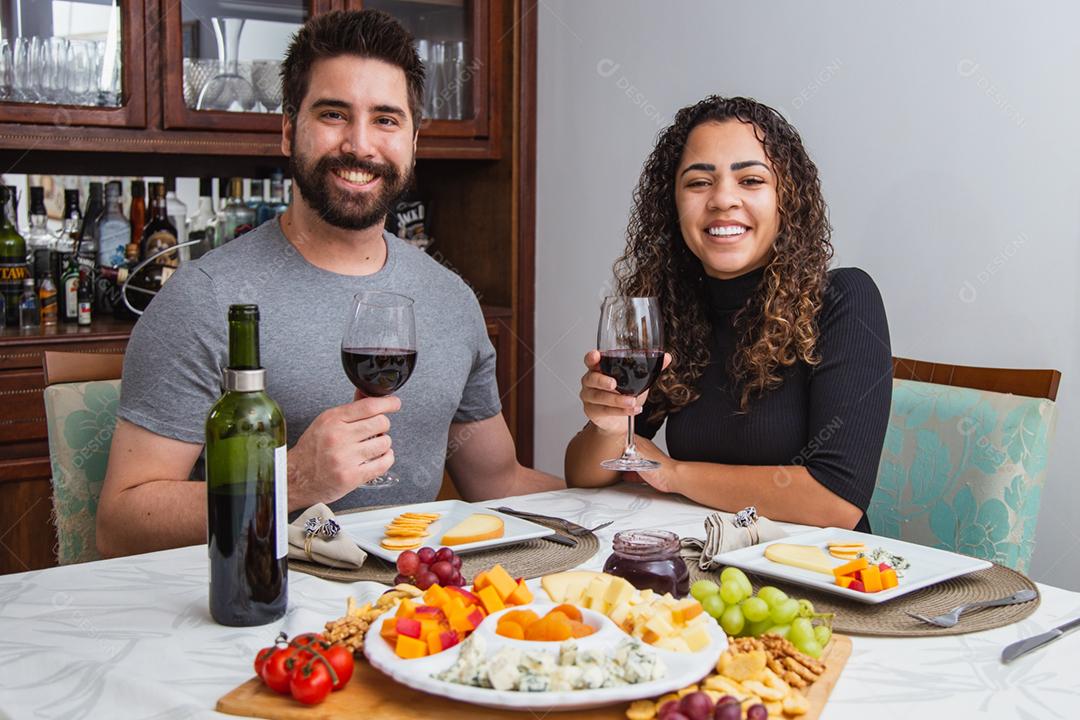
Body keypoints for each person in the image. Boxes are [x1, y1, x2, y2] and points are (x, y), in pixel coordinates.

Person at [97, 10, 562, 558]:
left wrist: (629, 485)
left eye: (386, 119)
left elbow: (499, 482)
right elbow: (121, 524)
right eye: (334, 114)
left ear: (414, 142)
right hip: (260, 599)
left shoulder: (451, 300)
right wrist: (291, 479)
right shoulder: (206, 298)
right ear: (288, 131)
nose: (360, 145)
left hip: (408, 601)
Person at [565, 96, 891, 531]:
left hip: (818, 565)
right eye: (699, 182)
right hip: (703, 555)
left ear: (787, 199)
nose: (722, 199)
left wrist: (673, 474)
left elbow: (836, 501)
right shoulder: (674, 308)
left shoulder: (843, 299)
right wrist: (608, 425)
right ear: (673, 204)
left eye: (751, 180)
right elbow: (583, 477)